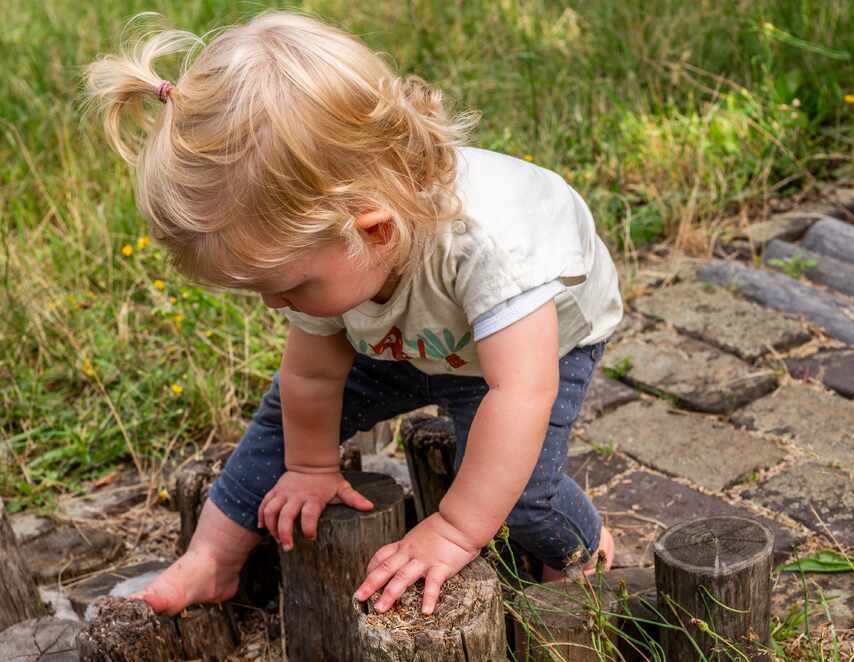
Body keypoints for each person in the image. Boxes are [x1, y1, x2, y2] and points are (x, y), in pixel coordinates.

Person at [83, 9, 621, 618]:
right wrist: (309, 465)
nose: (273, 304)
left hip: (533, 352)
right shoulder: (334, 259)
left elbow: (520, 392)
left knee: (524, 492)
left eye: (286, 286)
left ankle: (580, 553)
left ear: (375, 230)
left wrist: (453, 528)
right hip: (410, 341)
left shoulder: (488, 246)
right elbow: (310, 377)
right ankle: (213, 558)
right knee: (279, 425)